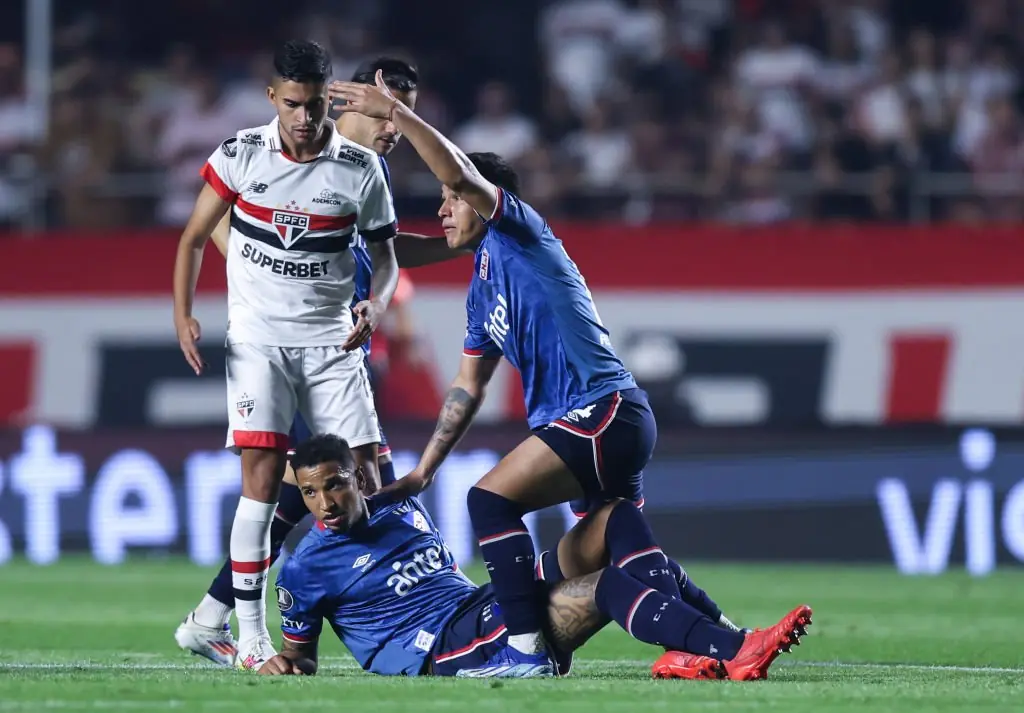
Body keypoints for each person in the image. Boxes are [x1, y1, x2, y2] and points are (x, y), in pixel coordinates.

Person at [330, 74, 745, 677]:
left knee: (489, 502)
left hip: (599, 409)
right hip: (605, 420)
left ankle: (522, 646)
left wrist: (394, 111)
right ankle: (725, 640)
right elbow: (468, 387)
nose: (443, 211)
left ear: (481, 196)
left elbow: (458, 175)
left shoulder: (519, 231)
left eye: (450, 202)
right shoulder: (480, 292)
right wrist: (424, 470)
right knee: (616, 534)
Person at [173, 57, 471, 669]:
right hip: (289, 346)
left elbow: (387, 251)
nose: (396, 125)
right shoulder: (287, 159)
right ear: (348, 101)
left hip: (333, 350)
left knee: (293, 503)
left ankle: (209, 618)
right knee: (366, 483)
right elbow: (223, 220)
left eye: (405, 111)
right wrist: (253, 269)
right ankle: (422, 602)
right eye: (388, 109)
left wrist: (455, 243)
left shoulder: (362, 174)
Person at [258, 434, 812, 680]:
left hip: (482, 605)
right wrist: (286, 663)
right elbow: (302, 655)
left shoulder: (399, 509)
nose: (325, 503)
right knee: (608, 586)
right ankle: (734, 649)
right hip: (448, 648)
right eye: (310, 493)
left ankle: (704, 644)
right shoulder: (305, 567)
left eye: (334, 485)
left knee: (615, 518)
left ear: (356, 478)